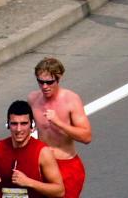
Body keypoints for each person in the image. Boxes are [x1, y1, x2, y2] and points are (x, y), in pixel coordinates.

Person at [27, 57, 91, 198]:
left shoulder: (71, 100)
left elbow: (87, 137)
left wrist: (59, 123)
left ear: (59, 78)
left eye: (49, 82)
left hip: (67, 167)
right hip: (41, 166)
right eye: (40, 82)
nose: (44, 86)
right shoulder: (33, 99)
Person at [0, 101, 65, 198]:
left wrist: (29, 182)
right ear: (8, 124)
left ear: (32, 125)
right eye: (14, 123)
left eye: (24, 123)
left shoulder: (42, 152)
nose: (18, 129)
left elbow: (59, 191)